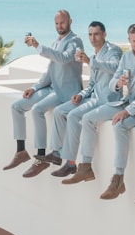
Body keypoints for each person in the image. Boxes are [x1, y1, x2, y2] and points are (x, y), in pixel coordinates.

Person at [62, 24, 135, 199]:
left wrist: (127, 112)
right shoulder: (126, 57)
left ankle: (118, 178)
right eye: (134, 41)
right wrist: (118, 83)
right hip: (122, 100)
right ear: (129, 40)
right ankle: (86, 166)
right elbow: (112, 83)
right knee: (88, 118)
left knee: (119, 125)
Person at [23, 21, 122, 178]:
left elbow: (115, 67)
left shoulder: (113, 50)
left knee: (74, 116)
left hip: (107, 100)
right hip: (92, 97)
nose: (93, 38)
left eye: (96, 34)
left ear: (104, 34)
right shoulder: (95, 54)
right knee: (60, 111)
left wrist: (90, 61)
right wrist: (81, 95)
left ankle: (70, 163)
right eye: (90, 34)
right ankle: (56, 153)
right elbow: (92, 84)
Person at [3, 10, 83, 171]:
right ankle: (21, 151)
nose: (59, 26)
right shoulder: (55, 42)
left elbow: (62, 58)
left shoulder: (75, 41)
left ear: (70, 22)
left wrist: (37, 45)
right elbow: (49, 71)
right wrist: (34, 87)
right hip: (51, 88)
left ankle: (41, 158)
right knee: (17, 106)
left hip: (66, 93)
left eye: (62, 23)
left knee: (37, 110)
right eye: (57, 23)